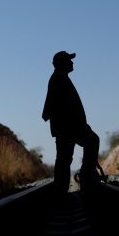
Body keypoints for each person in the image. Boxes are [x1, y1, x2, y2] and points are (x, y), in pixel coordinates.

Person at [42, 51, 101, 196]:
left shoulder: (60, 78)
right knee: (68, 156)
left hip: (70, 128)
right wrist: (78, 125)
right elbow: (59, 108)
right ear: (62, 64)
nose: (72, 63)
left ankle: (65, 188)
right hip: (69, 128)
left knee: (65, 158)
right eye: (69, 60)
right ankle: (84, 179)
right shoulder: (58, 79)